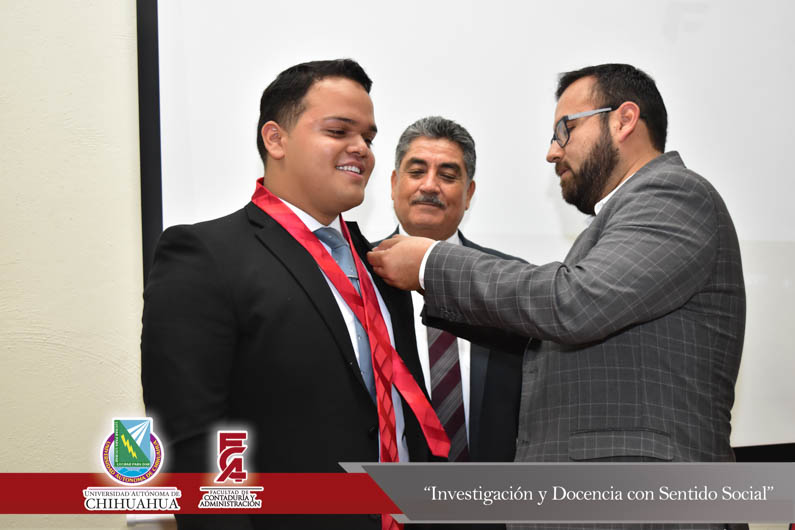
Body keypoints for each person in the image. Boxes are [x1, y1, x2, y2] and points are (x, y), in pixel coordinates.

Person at [369, 64, 746, 528]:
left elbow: (573, 303)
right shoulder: (619, 221)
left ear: (624, 120)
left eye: (564, 130)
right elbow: (553, 332)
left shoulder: (672, 195)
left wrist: (430, 264)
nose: (552, 151)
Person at [141, 58, 447, 530]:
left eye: (368, 138)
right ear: (275, 139)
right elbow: (194, 444)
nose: (361, 149)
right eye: (339, 131)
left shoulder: (382, 263)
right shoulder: (204, 255)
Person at [379, 116, 524, 469]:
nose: (430, 186)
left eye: (447, 175)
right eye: (417, 172)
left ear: (469, 193)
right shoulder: (356, 274)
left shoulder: (509, 280)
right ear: (394, 184)